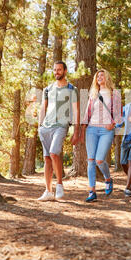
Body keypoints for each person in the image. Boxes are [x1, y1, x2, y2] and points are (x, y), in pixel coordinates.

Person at [37, 61, 80, 201]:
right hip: (45, 127)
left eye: (59, 70)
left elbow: (76, 110)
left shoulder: (72, 89)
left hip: (61, 126)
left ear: (65, 71)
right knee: (47, 159)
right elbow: (43, 108)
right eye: (55, 70)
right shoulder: (48, 89)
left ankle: (59, 185)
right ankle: (48, 191)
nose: (57, 72)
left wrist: (76, 131)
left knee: (54, 153)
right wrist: (39, 126)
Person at [80, 69, 122, 202]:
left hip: (106, 130)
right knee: (91, 161)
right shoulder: (93, 94)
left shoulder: (114, 93)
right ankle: (91, 191)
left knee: (99, 160)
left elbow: (119, 115)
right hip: (92, 129)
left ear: (107, 77)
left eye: (102, 75)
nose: (99, 77)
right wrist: (82, 129)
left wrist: (114, 124)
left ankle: (108, 179)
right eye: (98, 76)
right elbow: (87, 113)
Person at [116, 88, 131, 197]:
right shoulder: (126, 107)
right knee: (123, 162)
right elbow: (120, 121)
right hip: (126, 137)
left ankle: (127, 188)